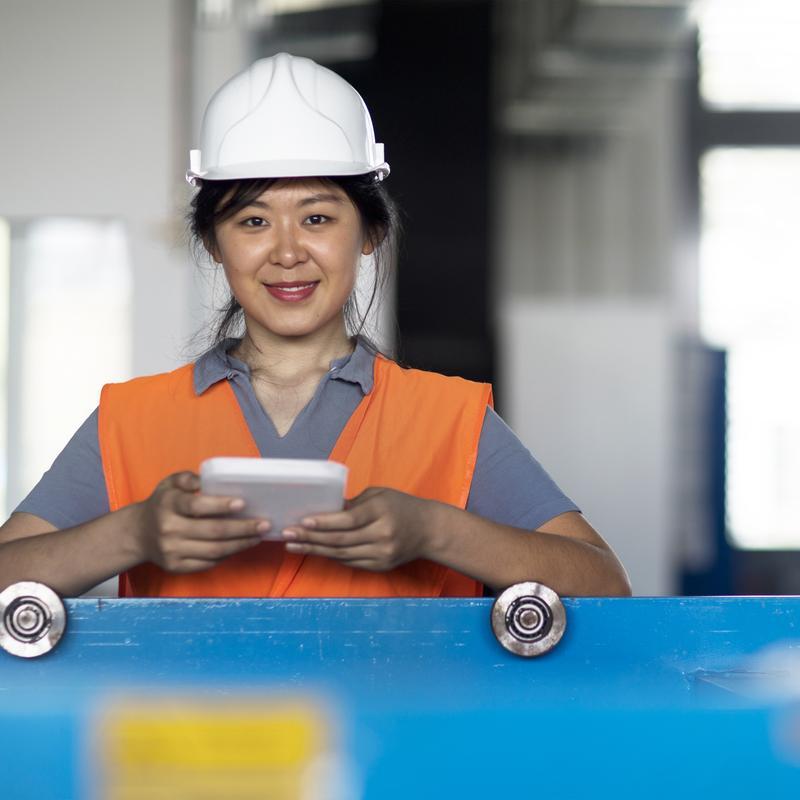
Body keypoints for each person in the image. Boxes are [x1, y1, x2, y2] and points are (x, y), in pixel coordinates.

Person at [0, 53, 630, 599]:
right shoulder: (130, 421)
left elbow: (602, 579)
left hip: (399, 736)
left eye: (319, 218)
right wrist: (131, 533)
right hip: (189, 738)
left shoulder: (448, 420)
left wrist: (436, 531)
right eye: (252, 221)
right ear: (213, 244)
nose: (287, 252)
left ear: (369, 234)